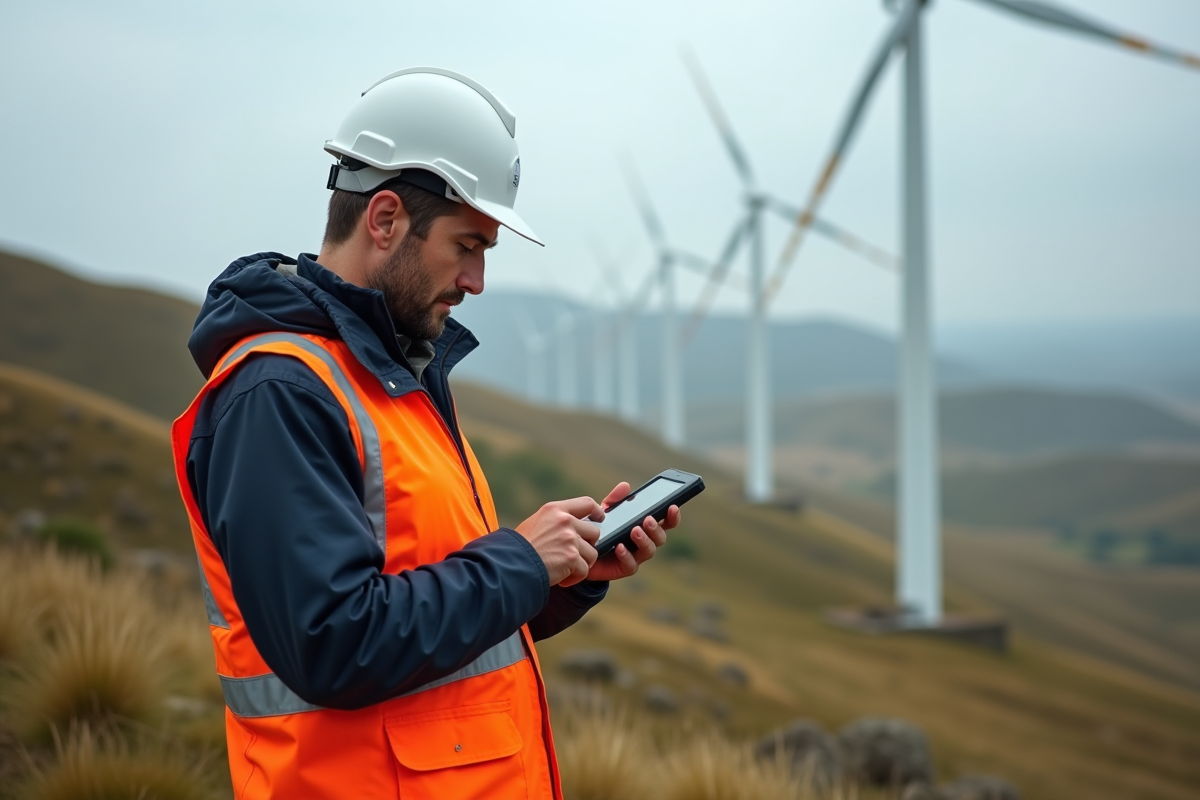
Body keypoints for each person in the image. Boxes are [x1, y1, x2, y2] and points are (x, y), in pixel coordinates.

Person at [170, 67, 681, 799]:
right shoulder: (279, 394)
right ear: (383, 219)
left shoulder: (392, 380)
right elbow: (334, 643)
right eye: (466, 245)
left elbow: (436, 618)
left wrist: (559, 580)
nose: (475, 281)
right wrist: (518, 560)